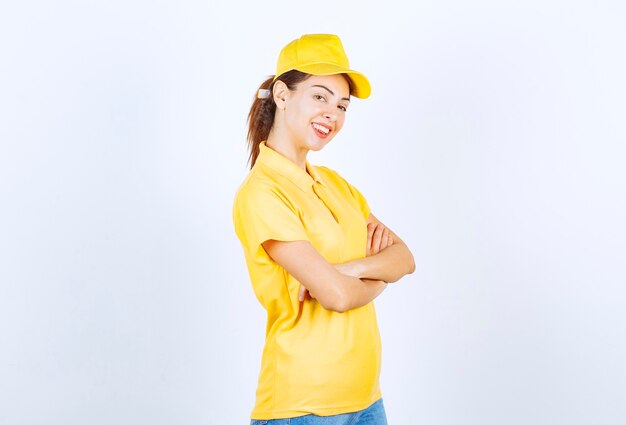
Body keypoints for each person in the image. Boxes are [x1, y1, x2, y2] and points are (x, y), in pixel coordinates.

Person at [232, 34, 415, 425]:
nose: (332, 113)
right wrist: (374, 273)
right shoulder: (262, 192)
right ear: (282, 95)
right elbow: (334, 296)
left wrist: (348, 272)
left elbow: (405, 258)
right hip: (304, 408)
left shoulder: (336, 184)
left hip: (367, 398)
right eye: (320, 96)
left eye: (342, 105)